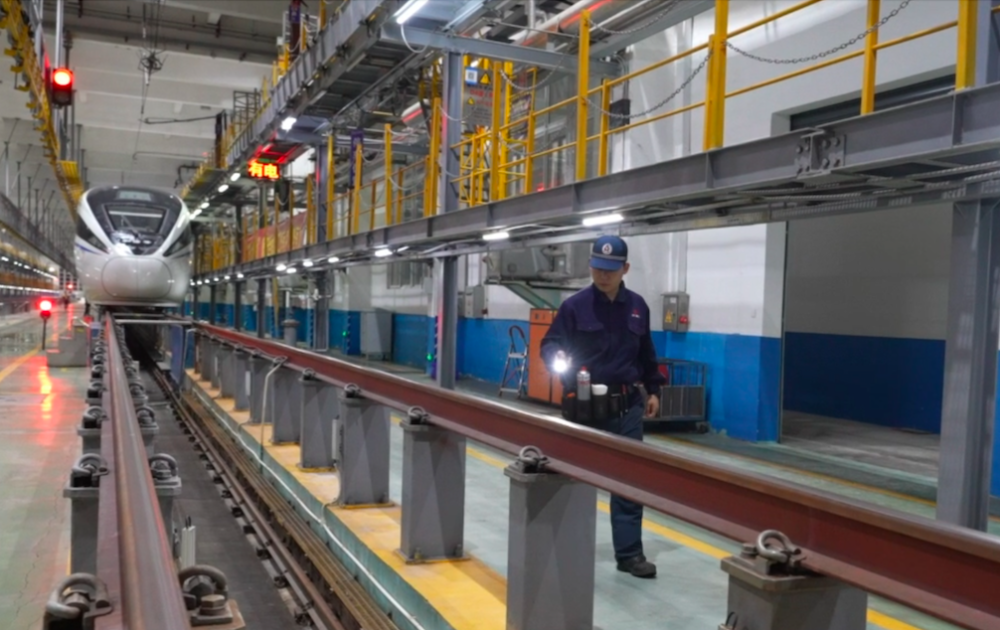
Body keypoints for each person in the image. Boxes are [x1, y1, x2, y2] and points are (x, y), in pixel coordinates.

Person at [540, 234, 665, 579]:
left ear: (625, 268)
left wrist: (653, 390)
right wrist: (557, 359)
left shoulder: (638, 307)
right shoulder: (574, 307)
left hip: (627, 408)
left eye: (610, 269)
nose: (603, 275)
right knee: (572, 478)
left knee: (629, 482)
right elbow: (549, 344)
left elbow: (646, 353)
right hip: (583, 408)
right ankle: (565, 545)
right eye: (597, 268)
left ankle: (629, 554)